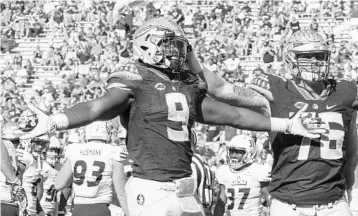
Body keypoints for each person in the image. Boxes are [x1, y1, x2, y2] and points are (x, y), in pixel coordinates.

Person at [21, 18, 323, 216]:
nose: (177, 51)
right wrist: (55, 121)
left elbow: (232, 116)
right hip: (151, 189)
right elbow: (97, 107)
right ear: (146, 44)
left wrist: (284, 124)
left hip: (185, 186)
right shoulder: (135, 76)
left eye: (179, 45)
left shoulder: (185, 83)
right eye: (169, 44)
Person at [190, 29, 358, 216]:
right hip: (288, 205)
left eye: (319, 55)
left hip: (334, 205)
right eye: (306, 56)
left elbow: (352, 155)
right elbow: (221, 90)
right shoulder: (277, 92)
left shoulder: (345, 92)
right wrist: (188, 54)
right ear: (290, 59)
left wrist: (354, 196)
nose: (314, 61)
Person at [54, 121, 129, 216]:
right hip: (100, 209)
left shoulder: (75, 150)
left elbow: (58, 184)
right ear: (107, 132)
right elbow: (121, 193)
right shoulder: (113, 151)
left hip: (78, 210)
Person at [214, 135, 271, 216]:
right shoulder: (224, 171)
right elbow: (221, 203)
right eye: (232, 151)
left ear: (250, 152)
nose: (233, 155)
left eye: (238, 152)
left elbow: (270, 199)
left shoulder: (258, 170)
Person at [1, 121, 29, 216]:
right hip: (8, 201)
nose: (12, 145)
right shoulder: (23, 155)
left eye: (15, 141)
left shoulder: (22, 156)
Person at [40, 140, 63, 216]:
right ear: (44, 151)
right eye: (51, 150)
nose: (54, 154)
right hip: (40, 208)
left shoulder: (59, 166)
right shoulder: (41, 166)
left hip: (53, 206)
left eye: (56, 151)